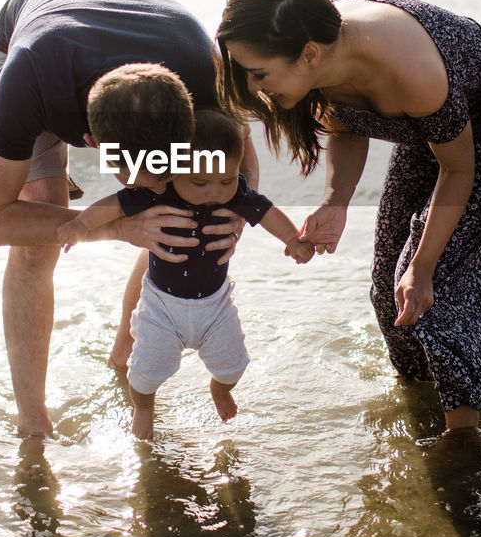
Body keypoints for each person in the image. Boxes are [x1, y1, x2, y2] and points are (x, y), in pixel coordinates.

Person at [215, 0, 481, 433]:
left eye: (259, 74)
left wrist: (423, 264)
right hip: (437, 123)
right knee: (387, 281)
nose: (255, 86)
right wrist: (335, 200)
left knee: (432, 279)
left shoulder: (408, 72)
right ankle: (422, 398)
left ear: (309, 56)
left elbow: (459, 169)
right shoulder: (313, 44)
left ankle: (463, 438)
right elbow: (346, 122)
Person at [0, 0, 257, 438]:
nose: (148, 184)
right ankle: (32, 419)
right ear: (91, 140)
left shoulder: (200, 72)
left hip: (157, 34)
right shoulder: (27, 84)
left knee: (182, 206)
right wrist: (115, 228)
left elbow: (241, 159)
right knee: (39, 236)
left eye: (165, 164)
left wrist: (233, 214)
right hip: (36, 34)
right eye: (136, 171)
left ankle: (127, 346)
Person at [58, 109, 315, 439]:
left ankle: (219, 391)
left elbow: (267, 212)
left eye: (225, 180)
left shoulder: (236, 192)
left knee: (234, 366)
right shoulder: (157, 190)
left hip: (216, 306)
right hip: (161, 308)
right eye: (200, 182)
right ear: (174, 170)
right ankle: (144, 407)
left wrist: (293, 239)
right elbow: (115, 204)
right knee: (145, 375)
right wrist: (79, 226)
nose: (214, 191)